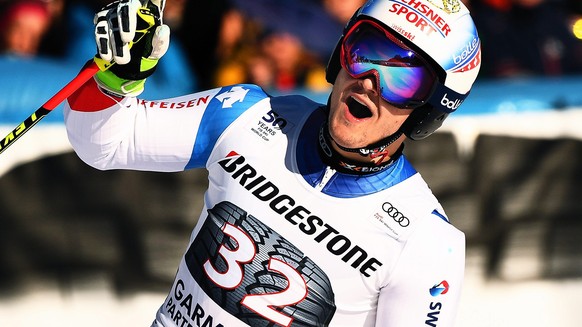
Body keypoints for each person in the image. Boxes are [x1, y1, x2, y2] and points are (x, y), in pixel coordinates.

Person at [64, 0, 481, 325]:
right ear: (340, 54)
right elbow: (103, 144)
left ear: (429, 110)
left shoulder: (427, 244)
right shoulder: (247, 114)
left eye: (403, 80)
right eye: (365, 51)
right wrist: (117, 75)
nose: (370, 81)